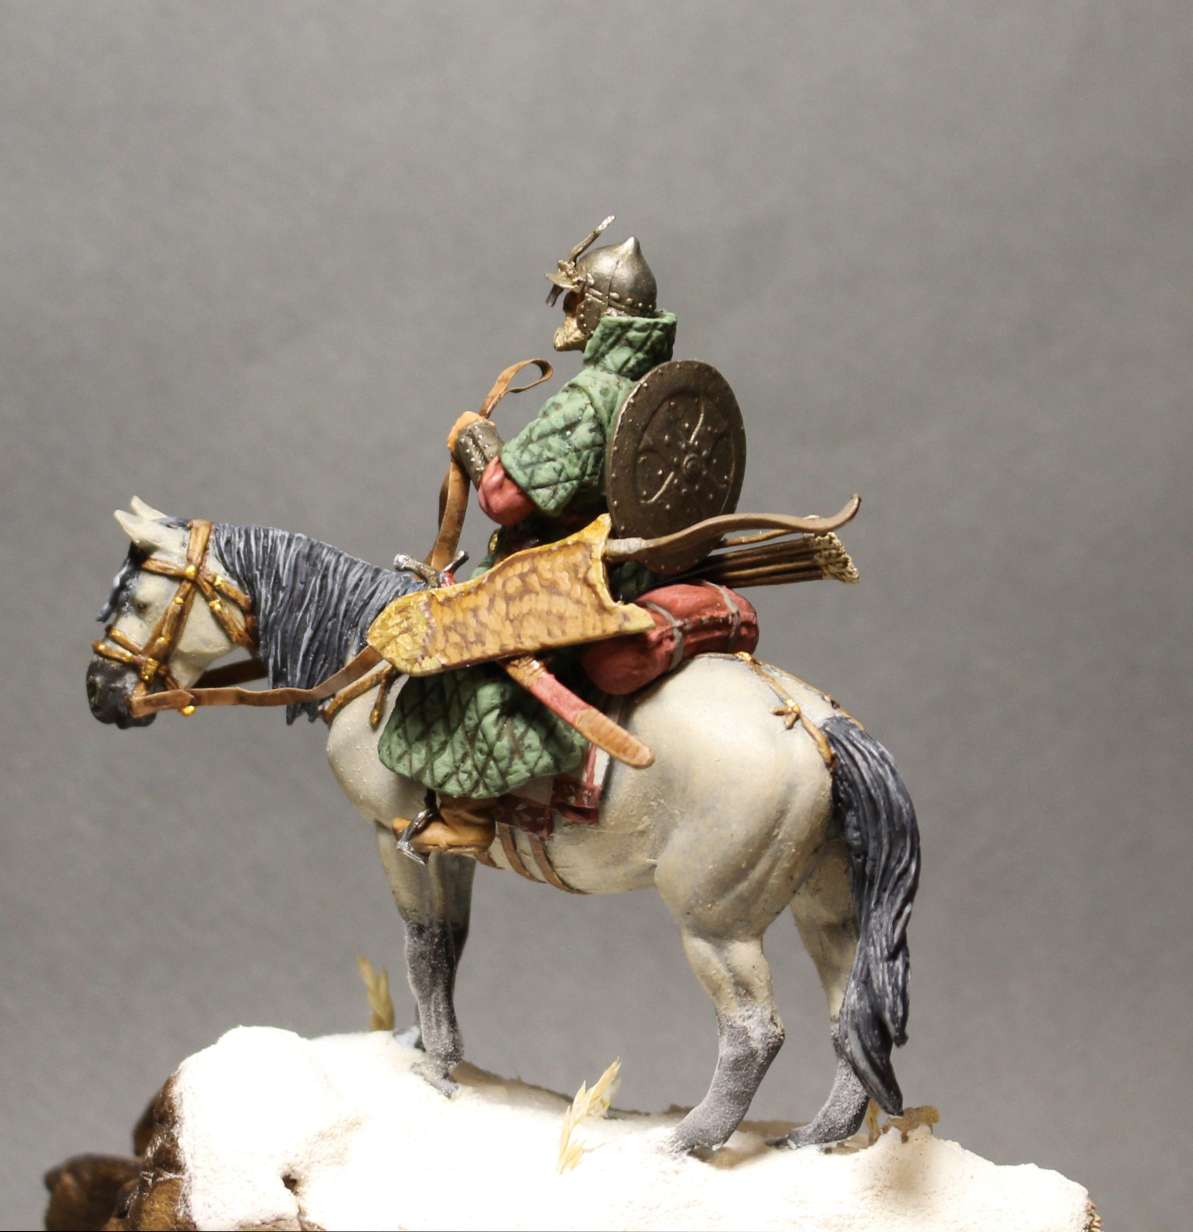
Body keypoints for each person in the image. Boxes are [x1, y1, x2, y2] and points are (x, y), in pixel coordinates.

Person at [376, 221, 680, 846]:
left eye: (575, 302)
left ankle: (465, 818)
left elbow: (505, 498)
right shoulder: (659, 389)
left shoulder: (590, 397)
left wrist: (476, 441)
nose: (567, 314)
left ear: (598, 312)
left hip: (569, 577)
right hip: (635, 568)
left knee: (462, 655)